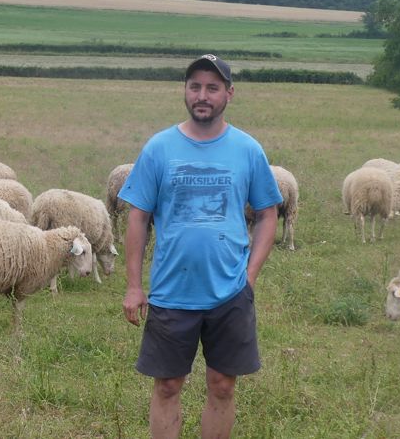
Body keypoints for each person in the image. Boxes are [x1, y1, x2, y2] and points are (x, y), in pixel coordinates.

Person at [120, 54, 282, 439]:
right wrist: (133, 285)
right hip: (171, 290)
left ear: (229, 93)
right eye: (195, 87)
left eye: (212, 87)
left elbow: (268, 213)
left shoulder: (247, 149)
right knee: (167, 385)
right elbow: (138, 218)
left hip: (229, 290)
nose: (202, 96)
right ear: (185, 92)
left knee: (223, 385)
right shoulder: (159, 148)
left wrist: (250, 276)